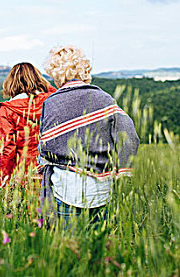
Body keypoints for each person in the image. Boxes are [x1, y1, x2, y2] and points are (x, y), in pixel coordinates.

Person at [38, 46, 139, 228]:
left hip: (67, 189)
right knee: (99, 247)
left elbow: (46, 147)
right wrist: (120, 167)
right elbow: (129, 136)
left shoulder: (51, 103)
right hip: (102, 189)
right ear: (84, 70)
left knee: (71, 247)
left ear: (56, 74)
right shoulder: (105, 99)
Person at [0, 63, 56, 187]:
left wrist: (1, 181)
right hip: (51, 172)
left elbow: (6, 148)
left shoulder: (8, 109)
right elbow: (56, 91)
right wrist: (41, 82)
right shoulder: (50, 101)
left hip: (22, 175)